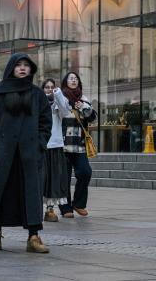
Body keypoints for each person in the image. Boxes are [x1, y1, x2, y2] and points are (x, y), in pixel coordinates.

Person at [0, 54, 52, 253]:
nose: (22, 68)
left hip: (30, 155)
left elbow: (46, 122)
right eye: (18, 65)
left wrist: (40, 143)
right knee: (0, 192)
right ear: (11, 68)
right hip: (3, 154)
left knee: (32, 193)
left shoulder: (37, 94)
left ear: (31, 70)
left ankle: (34, 236)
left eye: (26, 66)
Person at [59, 72, 96, 218]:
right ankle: (65, 207)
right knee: (64, 178)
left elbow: (93, 118)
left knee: (85, 172)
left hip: (79, 145)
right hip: (63, 145)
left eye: (75, 79)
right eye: (70, 79)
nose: (73, 81)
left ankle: (78, 204)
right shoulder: (61, 98)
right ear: (65, 82)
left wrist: (83, 108)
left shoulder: (83, 99)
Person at [41, 78, 71, 223]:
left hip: (55, 146)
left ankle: (50, 209)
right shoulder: (38, 103)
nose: (49, 89)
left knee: (53, 179)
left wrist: (58, 93)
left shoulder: (58, 105)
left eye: (52, 87)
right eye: (46, 87)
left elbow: (66, 111)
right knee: (41, 179)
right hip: (40, 146)